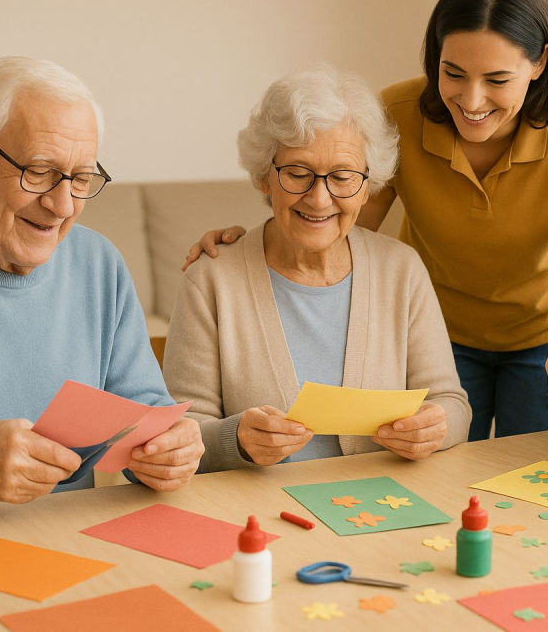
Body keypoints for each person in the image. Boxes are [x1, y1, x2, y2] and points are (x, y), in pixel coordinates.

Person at [184, 0, 548, 440]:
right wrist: (249, 246)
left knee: (544, 481)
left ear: (539, 63)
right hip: (437, 332)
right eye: (452, 72)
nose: (472, 100)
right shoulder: (398, 113)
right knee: (443, 478)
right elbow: (338, 218)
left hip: (547, 337)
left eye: (497, 79)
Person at [0, 57, 204, 513]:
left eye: (80, 178)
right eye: (38, 171)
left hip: (61, 543)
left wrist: (168, 450)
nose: (62, 206)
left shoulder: (99, 265)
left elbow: (142, 413)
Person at [163, 64, 471, 470]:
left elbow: (451, 403)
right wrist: (234, 439)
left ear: (367, 185)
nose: (320, 199)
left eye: (342, 177)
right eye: (297, 173)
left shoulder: (401, 269)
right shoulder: (212, 279)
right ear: (264, 177)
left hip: (379, 511)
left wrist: (436, 427)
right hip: (258, 517)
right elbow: (179, 431)